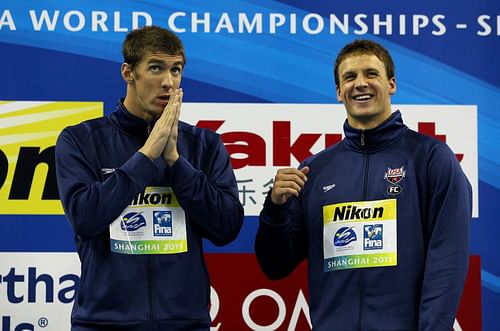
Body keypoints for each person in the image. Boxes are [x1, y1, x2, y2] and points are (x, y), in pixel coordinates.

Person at [255, 39, 471, 331]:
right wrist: (275, 209)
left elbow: (448, 261)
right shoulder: (313, 170)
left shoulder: (431, 158)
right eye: (350, 77)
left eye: (371, 74)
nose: (360, 84)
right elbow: (275, 266)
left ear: (391, 84)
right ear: (338, 92)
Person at [55, 25, 244, 331]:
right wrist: (145, 156)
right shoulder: (81, 139)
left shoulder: (204, 145)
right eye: (156, 68)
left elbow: (227, 227)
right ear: (128, 73)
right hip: (103, 324)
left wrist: (176, 162)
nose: (168, 82)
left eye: (176, 69)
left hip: (185, 323)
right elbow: (86, 218)